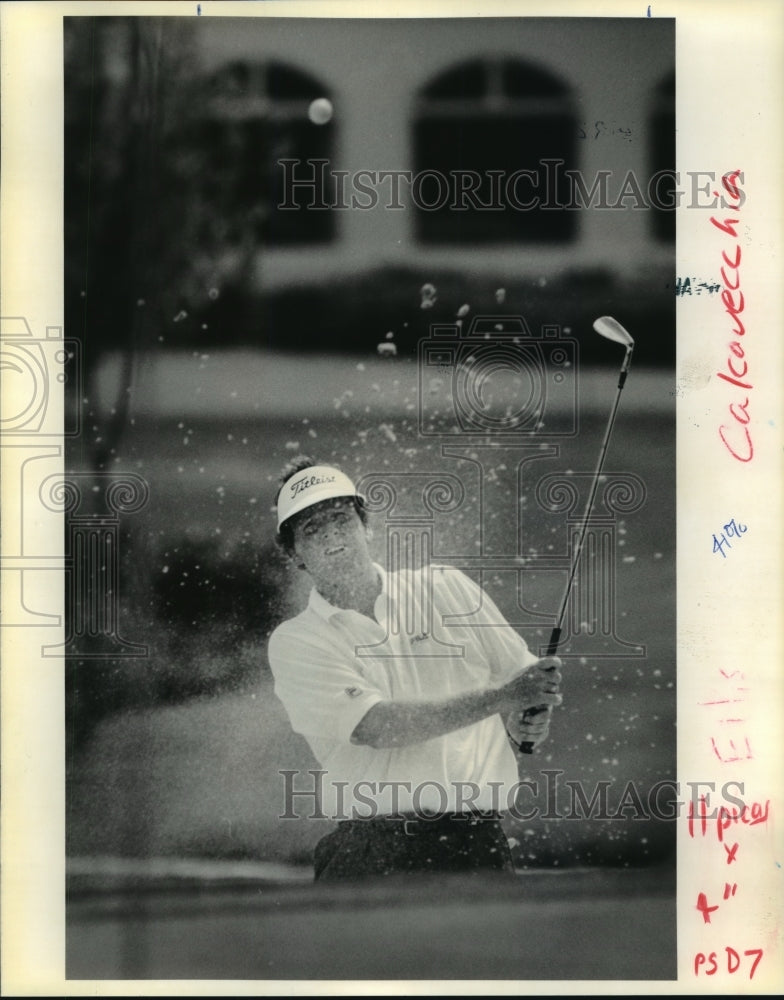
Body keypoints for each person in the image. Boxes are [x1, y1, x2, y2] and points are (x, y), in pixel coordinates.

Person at [267, 456, 562, 880]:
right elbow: (377, 727)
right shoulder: (297, 641)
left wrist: (525, 718)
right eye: (312, 530)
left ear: (364, 526)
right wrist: (505, 698)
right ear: (295, 554)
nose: (333, 536)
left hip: (476, 843)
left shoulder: (447, 588)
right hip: (368, 853)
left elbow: (523, 683)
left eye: (341, 518)